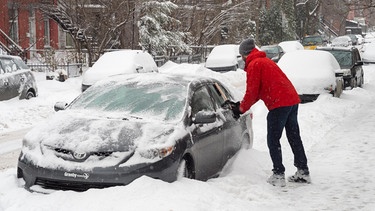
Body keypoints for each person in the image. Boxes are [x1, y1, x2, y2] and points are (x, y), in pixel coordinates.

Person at [230, 38, 311, 187]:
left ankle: (278, 174)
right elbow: (259, 92)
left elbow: (252, 92)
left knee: (273, 140)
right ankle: (303, 170)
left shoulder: (255, 65)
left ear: (244, 55)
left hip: (279, 104)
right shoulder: (265, 61)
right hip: (291, 100)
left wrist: (240, 109)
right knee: (294, 136)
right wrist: (243, 105)